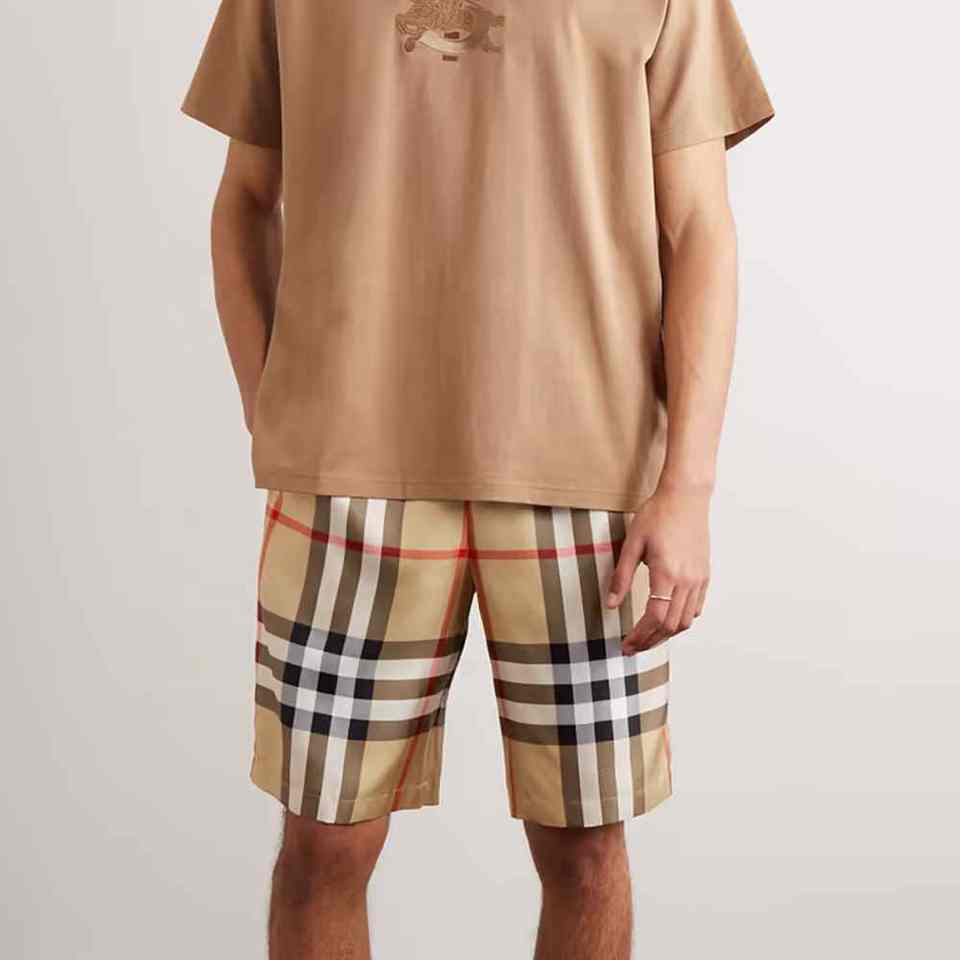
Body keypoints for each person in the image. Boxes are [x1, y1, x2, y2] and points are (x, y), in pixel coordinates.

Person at [182, 0, 773, 956]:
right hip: (347, 476)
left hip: (589, 479)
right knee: (324, 843)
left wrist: (690, 487)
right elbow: (245, 197)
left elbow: (700, 224)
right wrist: (274, 407)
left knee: (585, 847)